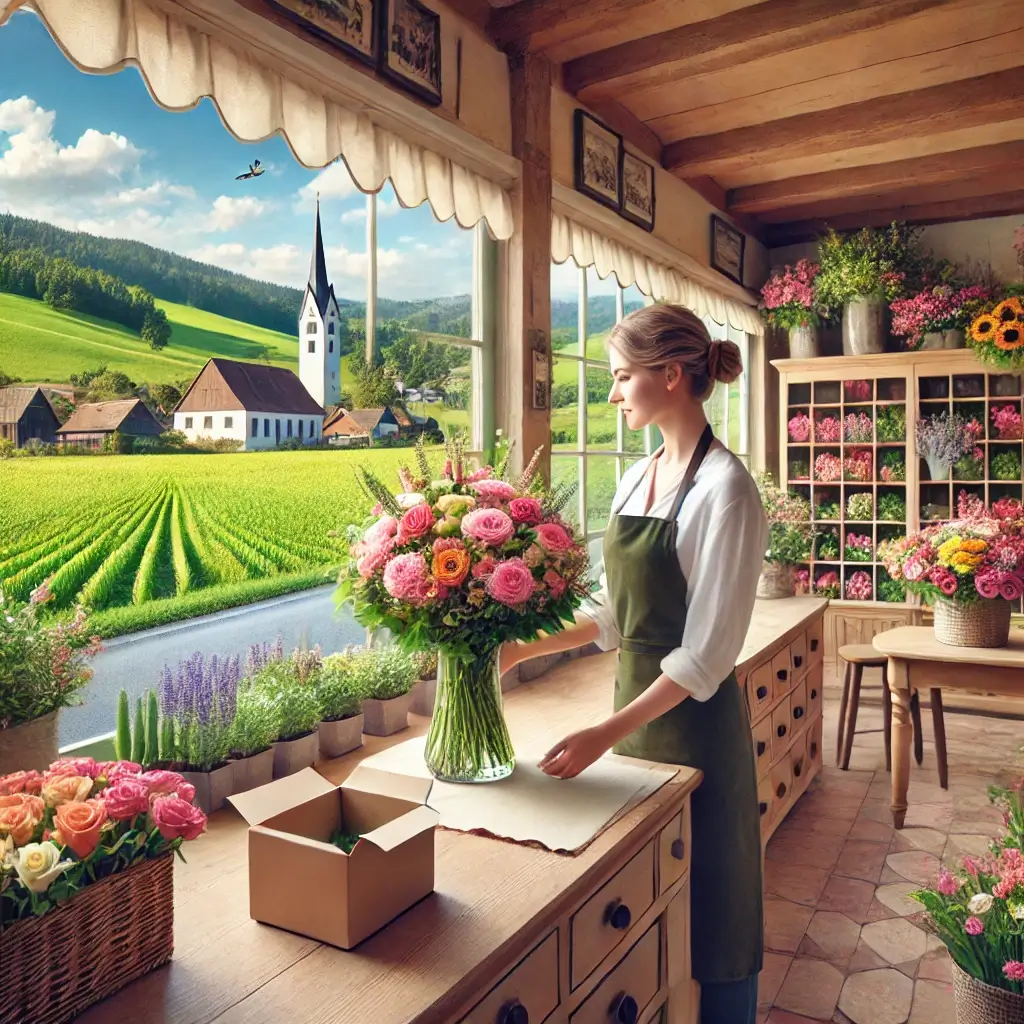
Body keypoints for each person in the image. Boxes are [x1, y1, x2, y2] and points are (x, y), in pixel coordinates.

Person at [501, 303, 769, 1024]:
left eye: (622, 378)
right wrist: (515, 649)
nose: (613, 394)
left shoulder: (726, 492)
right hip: (632, 728)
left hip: (694, 732)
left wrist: (602, 734)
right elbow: (612, 620)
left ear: (672, 376)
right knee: (643, 908)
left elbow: (705, 659)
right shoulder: (633, 478)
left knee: (711, 909)